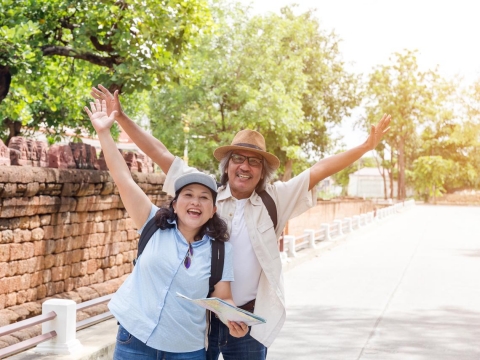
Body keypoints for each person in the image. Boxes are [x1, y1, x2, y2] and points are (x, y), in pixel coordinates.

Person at [90, 85, 391, 360]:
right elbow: (161, 154)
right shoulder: (205, 195)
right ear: (227, 165)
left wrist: (364, 147)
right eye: (238, 159)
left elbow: (319, 170)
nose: (245, 167)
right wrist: (123, 118)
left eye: (254, 161)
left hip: (245, 319)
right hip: (201, 322)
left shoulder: (276, 199)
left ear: (262, 171)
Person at [84, 99, 248, 360]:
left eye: (204, 197)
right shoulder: (152, 224)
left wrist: (233, 320)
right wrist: (104, 132)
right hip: (134, 340)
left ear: (213, 210)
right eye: (188, 195)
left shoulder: (219, 249)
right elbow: (123, 178)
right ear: (175, 203)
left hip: (186, 349)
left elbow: (223, 296)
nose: (195, 202)